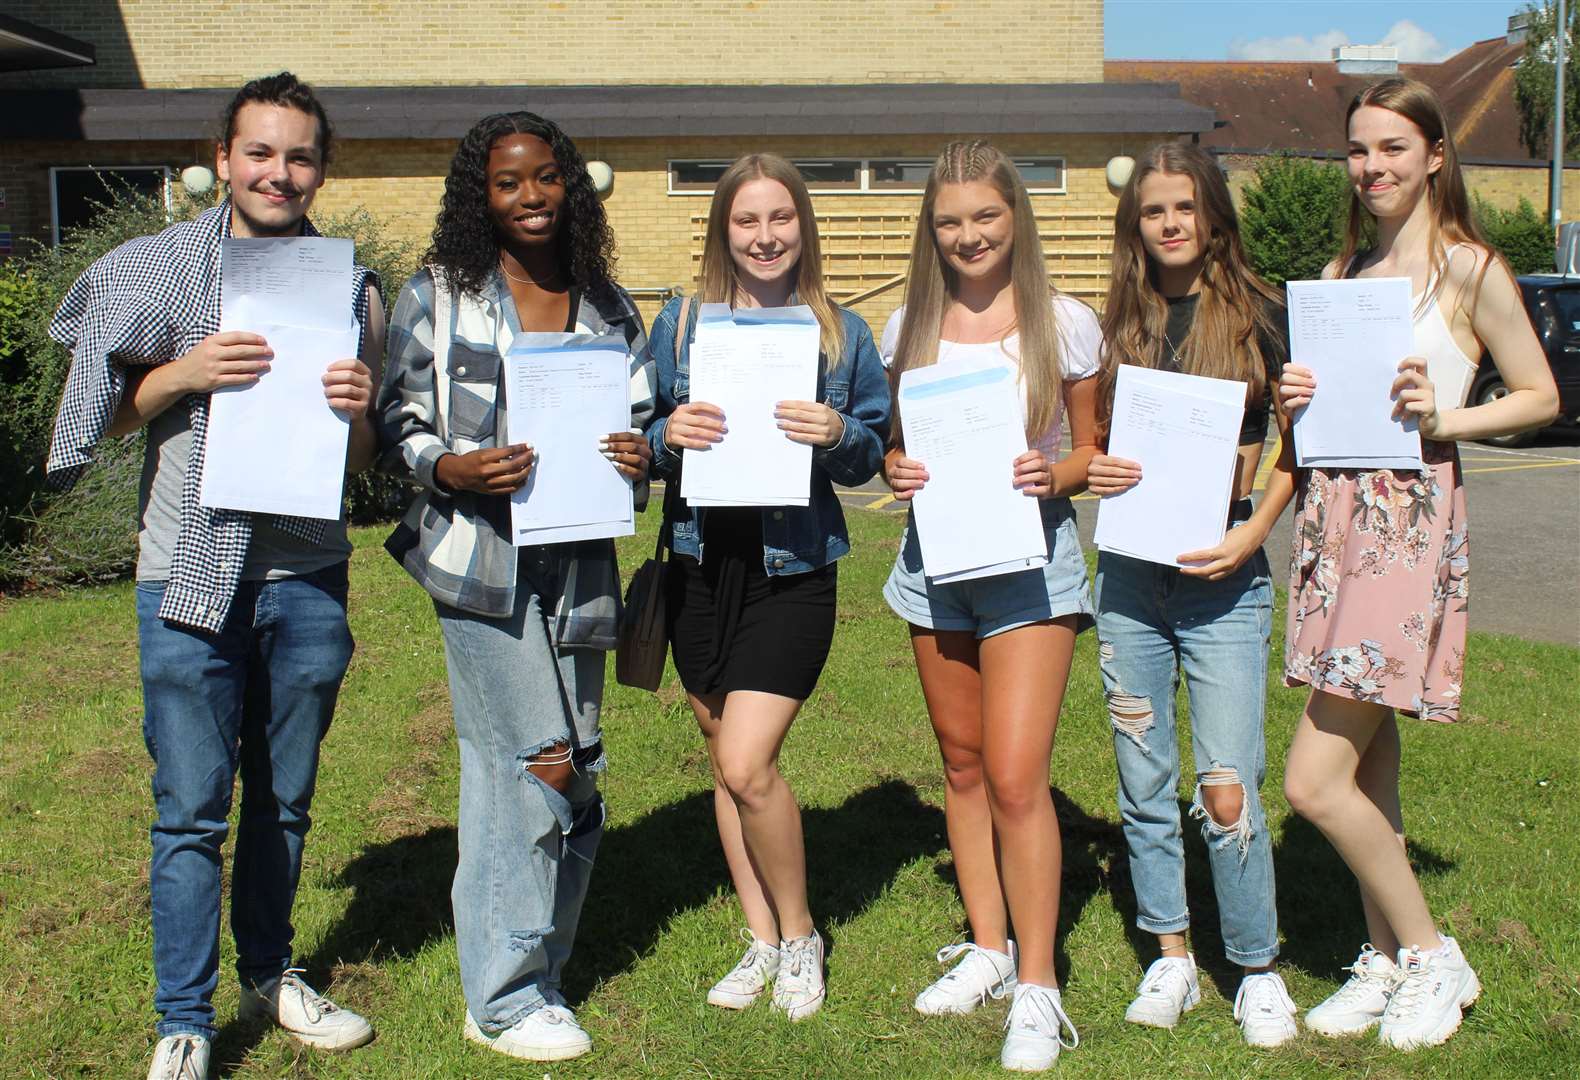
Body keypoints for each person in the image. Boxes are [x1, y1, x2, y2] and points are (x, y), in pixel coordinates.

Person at [46, 72, 382, 1080]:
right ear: (225, 159)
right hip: (183, 577)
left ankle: (271, 973)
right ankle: (183, 1020)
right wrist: (181, 374)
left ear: (322, 167)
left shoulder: (350, 287)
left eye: (300, 156)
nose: (280, 173)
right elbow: (95, 421)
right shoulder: (154, 271)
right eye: (261, 153)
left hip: (308, 575)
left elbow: (362, 466)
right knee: (191, 805)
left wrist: (360, 406)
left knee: (284, 801)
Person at [1278, 77, 1558, 1049]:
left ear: (1434, 154)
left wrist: (1447, 418)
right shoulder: (1340, 270)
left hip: (1404, 523)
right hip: (1331, 523)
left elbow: (1535, 394)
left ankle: (1435, 958)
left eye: (1391, 148)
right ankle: (1384, 957)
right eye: (1358, 151)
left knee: (1311, 784)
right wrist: (1293, 402)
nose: (1371, 168)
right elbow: (1320, 417)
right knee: (1370, 765)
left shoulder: (1467, 268)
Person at [377, 111, 653, 1061]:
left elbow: (643, 420)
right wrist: (447, 470)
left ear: (569, 186)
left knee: (578, 763)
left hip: (578, 567)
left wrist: (638, 454)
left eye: (545, 179)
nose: (529, 197)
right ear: (478, 196)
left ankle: (543, 969)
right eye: (507, 182)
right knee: (529, 760)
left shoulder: (610, 308)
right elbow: (398, 414)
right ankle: (500, 998)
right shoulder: (439, 296)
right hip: (477, 566)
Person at [642, 153, 889, 1022]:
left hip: (793, 567)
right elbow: (638, 439)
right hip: (701, 564)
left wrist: (837, 432)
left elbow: (877, 450)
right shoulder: (678, 326)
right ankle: (758, 936)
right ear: (724, 230)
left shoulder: (839, 334)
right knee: (726, 759)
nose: (764, 236)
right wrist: (667, 431)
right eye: (746, 221)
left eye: (780, 218)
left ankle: (799, 935)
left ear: (803, 227)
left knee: (748, 761)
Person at [880, 141, 1098, 1073]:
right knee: (962, 768)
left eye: (985, 217)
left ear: (1017, 217)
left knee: (1016, 775)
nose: (968, 236)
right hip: (936, 564)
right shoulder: (906, 328)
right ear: (931, 231)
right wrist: (895, 468)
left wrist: (1055, 472)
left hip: (1030, 564)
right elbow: (899, 449)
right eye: (950, 222)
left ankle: (1039, 987)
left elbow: (1093, 451)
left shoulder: (1065, 323)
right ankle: (988, 947)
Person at [1086, 141, 1299, 1047]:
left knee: (1226, 786)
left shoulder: (1261, 313)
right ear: (1135, 225)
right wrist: (1095, 467)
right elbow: (1091, 440)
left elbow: (1306, 446)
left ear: (1213, 213)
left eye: (1183, 207)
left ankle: (1254, 965)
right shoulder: (1119, 320)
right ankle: (1170, 954)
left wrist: (1254, 530)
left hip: (1225, 579)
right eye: (1151, 211)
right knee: (1144, 780)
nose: (1169, 224)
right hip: (1132, 581)